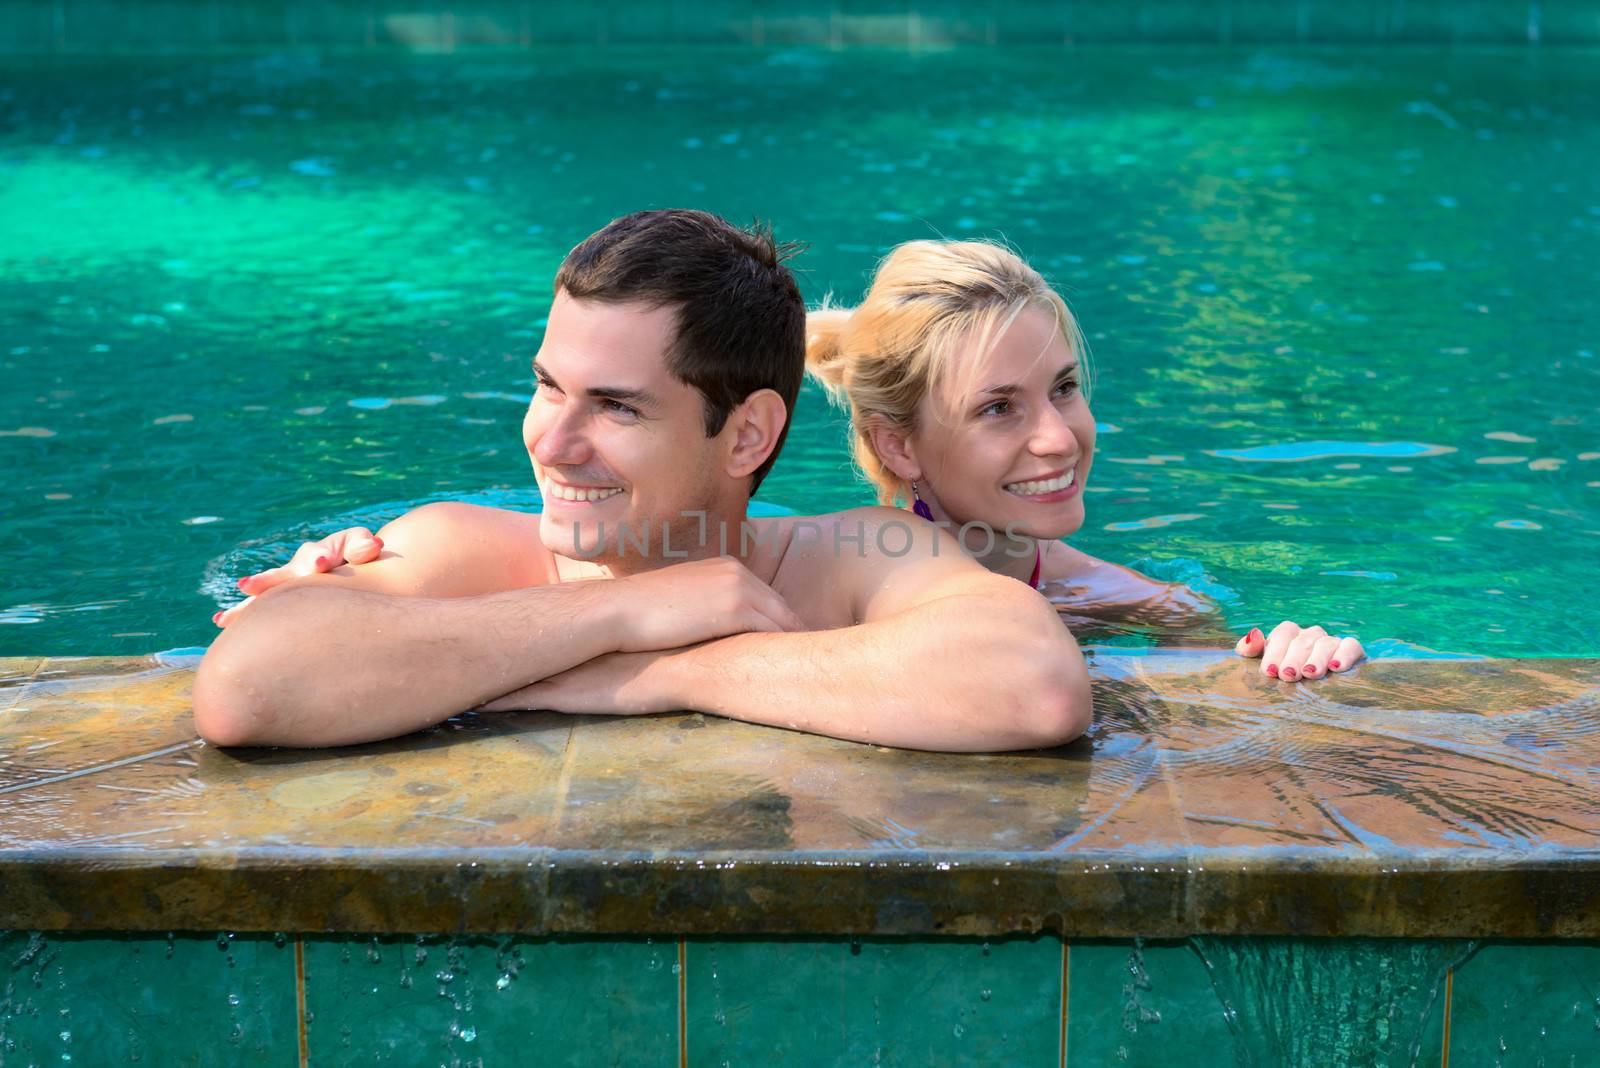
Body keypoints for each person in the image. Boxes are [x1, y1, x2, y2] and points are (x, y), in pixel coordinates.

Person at [229, 238, 1364, 684]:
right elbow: (254, 672)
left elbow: (1133, 671)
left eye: (1065, 390)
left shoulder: (1111, 602)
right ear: (894, 445)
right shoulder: (868, 552)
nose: (1058, 437)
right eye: (1002, 409)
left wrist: (1286, 656)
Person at [194, 210, 1091, 754]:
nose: (552, 441)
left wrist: (670, 671)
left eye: (616, 408)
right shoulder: (466, 547)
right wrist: (616, 616)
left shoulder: (857, 559)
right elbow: (245, 687)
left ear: (748, 437)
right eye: (547, 387)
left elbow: (1034, 684)